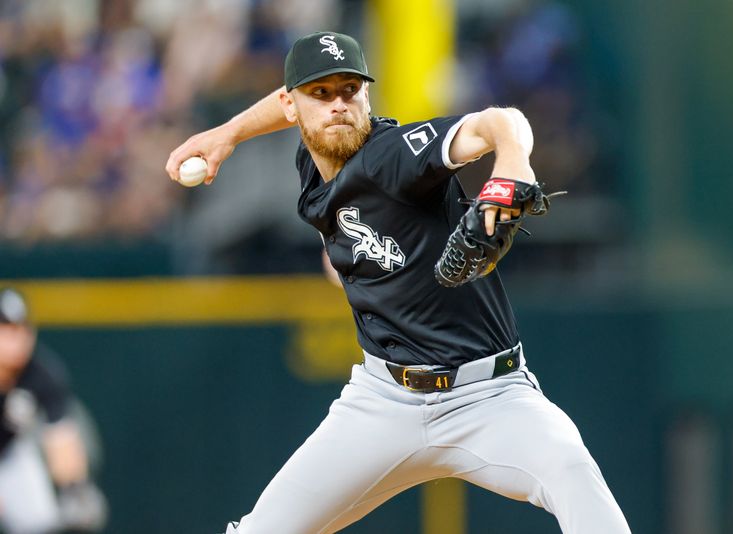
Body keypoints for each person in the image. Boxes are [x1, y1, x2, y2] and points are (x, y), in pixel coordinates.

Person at [166, 31, 630, 534]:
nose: (337, 104)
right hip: (382, 401)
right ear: (293, 106)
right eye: (321, 93)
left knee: (572, 470)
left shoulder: (394, 156)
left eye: (349, 90)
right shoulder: (312, 163)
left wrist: (512, 166)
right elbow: (288, 107)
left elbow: (501, 122)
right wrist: (228, 134)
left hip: (490, 396)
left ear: (367, 94)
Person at [0, 288, 107, 534]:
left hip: (9, 456)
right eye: (6, 330)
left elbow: (61, 436)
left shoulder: (41, 374)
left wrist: (75, 488)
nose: (15, 339)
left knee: (40, 522)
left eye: (21, 329)